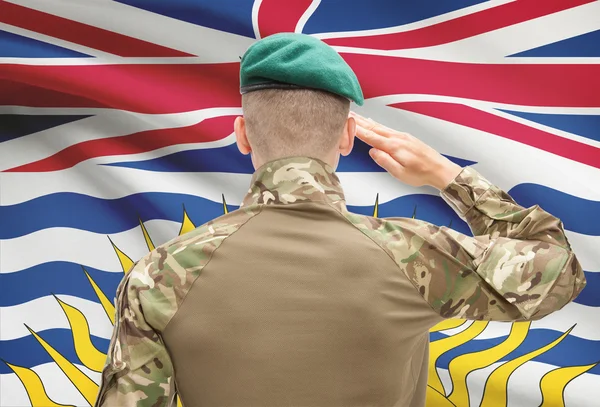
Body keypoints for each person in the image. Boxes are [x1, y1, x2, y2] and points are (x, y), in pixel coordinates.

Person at [94, 33, 586, 407]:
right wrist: (447, 176)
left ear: (242, 134)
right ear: (348, 136)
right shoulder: (414, 256)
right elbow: (559, 270)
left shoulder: (159, 276)